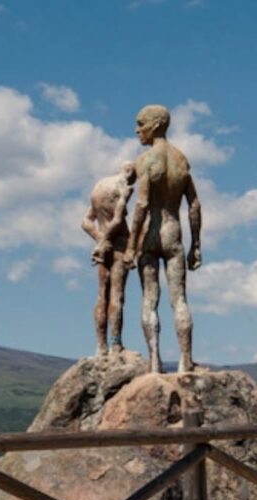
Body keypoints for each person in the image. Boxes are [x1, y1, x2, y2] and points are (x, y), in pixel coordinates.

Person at [125, 105, 202, 373]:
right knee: (179, 299)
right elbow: (194, 206)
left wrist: (131, 245)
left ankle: (155, 362)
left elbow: (142, 204)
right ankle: (185, 360)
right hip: (174, 235)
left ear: (156, 125)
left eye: (140, 123)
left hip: (150, 234)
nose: (137, 130)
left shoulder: (146, 161)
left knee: (149, 297)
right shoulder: (181, 160)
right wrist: (196, 245)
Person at [81, 162, 136, 357]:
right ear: (129, 172)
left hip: (104, 247)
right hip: (119, 245)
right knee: (116, 294)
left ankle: (100, 346)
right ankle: (115, 344)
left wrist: (99, 241)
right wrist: (105, 241)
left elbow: (86, 221)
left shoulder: (100, 185)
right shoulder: (123, 187)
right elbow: (119, 220)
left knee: (101, 294)